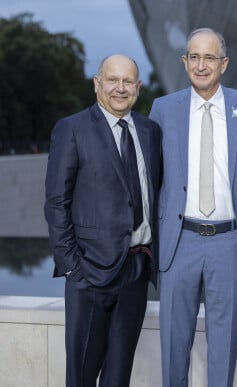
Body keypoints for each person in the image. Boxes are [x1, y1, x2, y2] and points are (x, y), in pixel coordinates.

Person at [148, 27, 237, 387]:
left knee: (224, 345)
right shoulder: (163, 109)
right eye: (195, 57)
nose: (202, 65)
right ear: (185, 61)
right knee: (173, 344)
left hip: (228, 243)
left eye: (210, 57)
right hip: (179, 240)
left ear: (224, 63)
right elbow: (153, 177)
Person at [44, 54, 162, 387]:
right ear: (97, 83)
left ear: (138, 88)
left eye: (128, 82)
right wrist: (73, 268)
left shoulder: (150, 131)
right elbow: (56, 204)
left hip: (136, 271)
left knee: (118, 376)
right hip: (89, 275)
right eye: (112, 80)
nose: (120, 88)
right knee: (81, 376)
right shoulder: (72, 129)